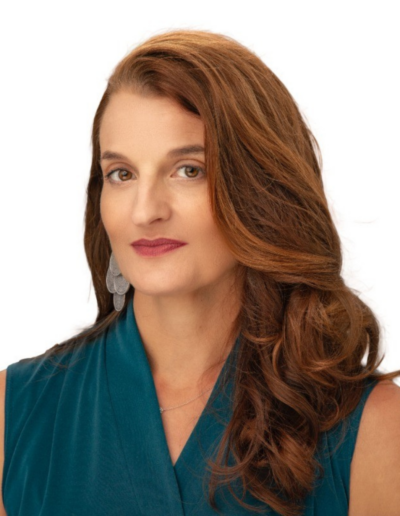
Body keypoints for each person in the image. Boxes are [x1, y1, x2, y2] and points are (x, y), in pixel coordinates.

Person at [1, 29, 400, 516]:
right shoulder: (13, 414)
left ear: (262, 190)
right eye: (121, 174)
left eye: (188, 170)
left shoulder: (374, 430)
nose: (145, 211)